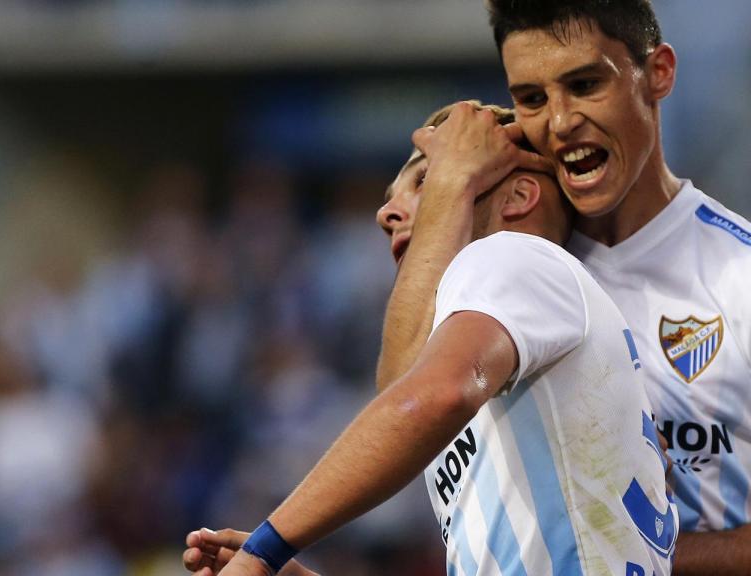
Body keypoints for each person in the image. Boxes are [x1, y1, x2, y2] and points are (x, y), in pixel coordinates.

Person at [183, 101, 676, 576]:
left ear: (519, 197)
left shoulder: (511, 256)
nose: (385, 213)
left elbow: (412, 391)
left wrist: (265, 549)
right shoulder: (523, 353)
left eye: (424, 179)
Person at [476, 2, 751, 573]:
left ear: (658, 74)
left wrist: (625, 556)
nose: (559, 121)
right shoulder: (509, 276)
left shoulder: (739, 274)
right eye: (531, 98)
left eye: (584, 84)